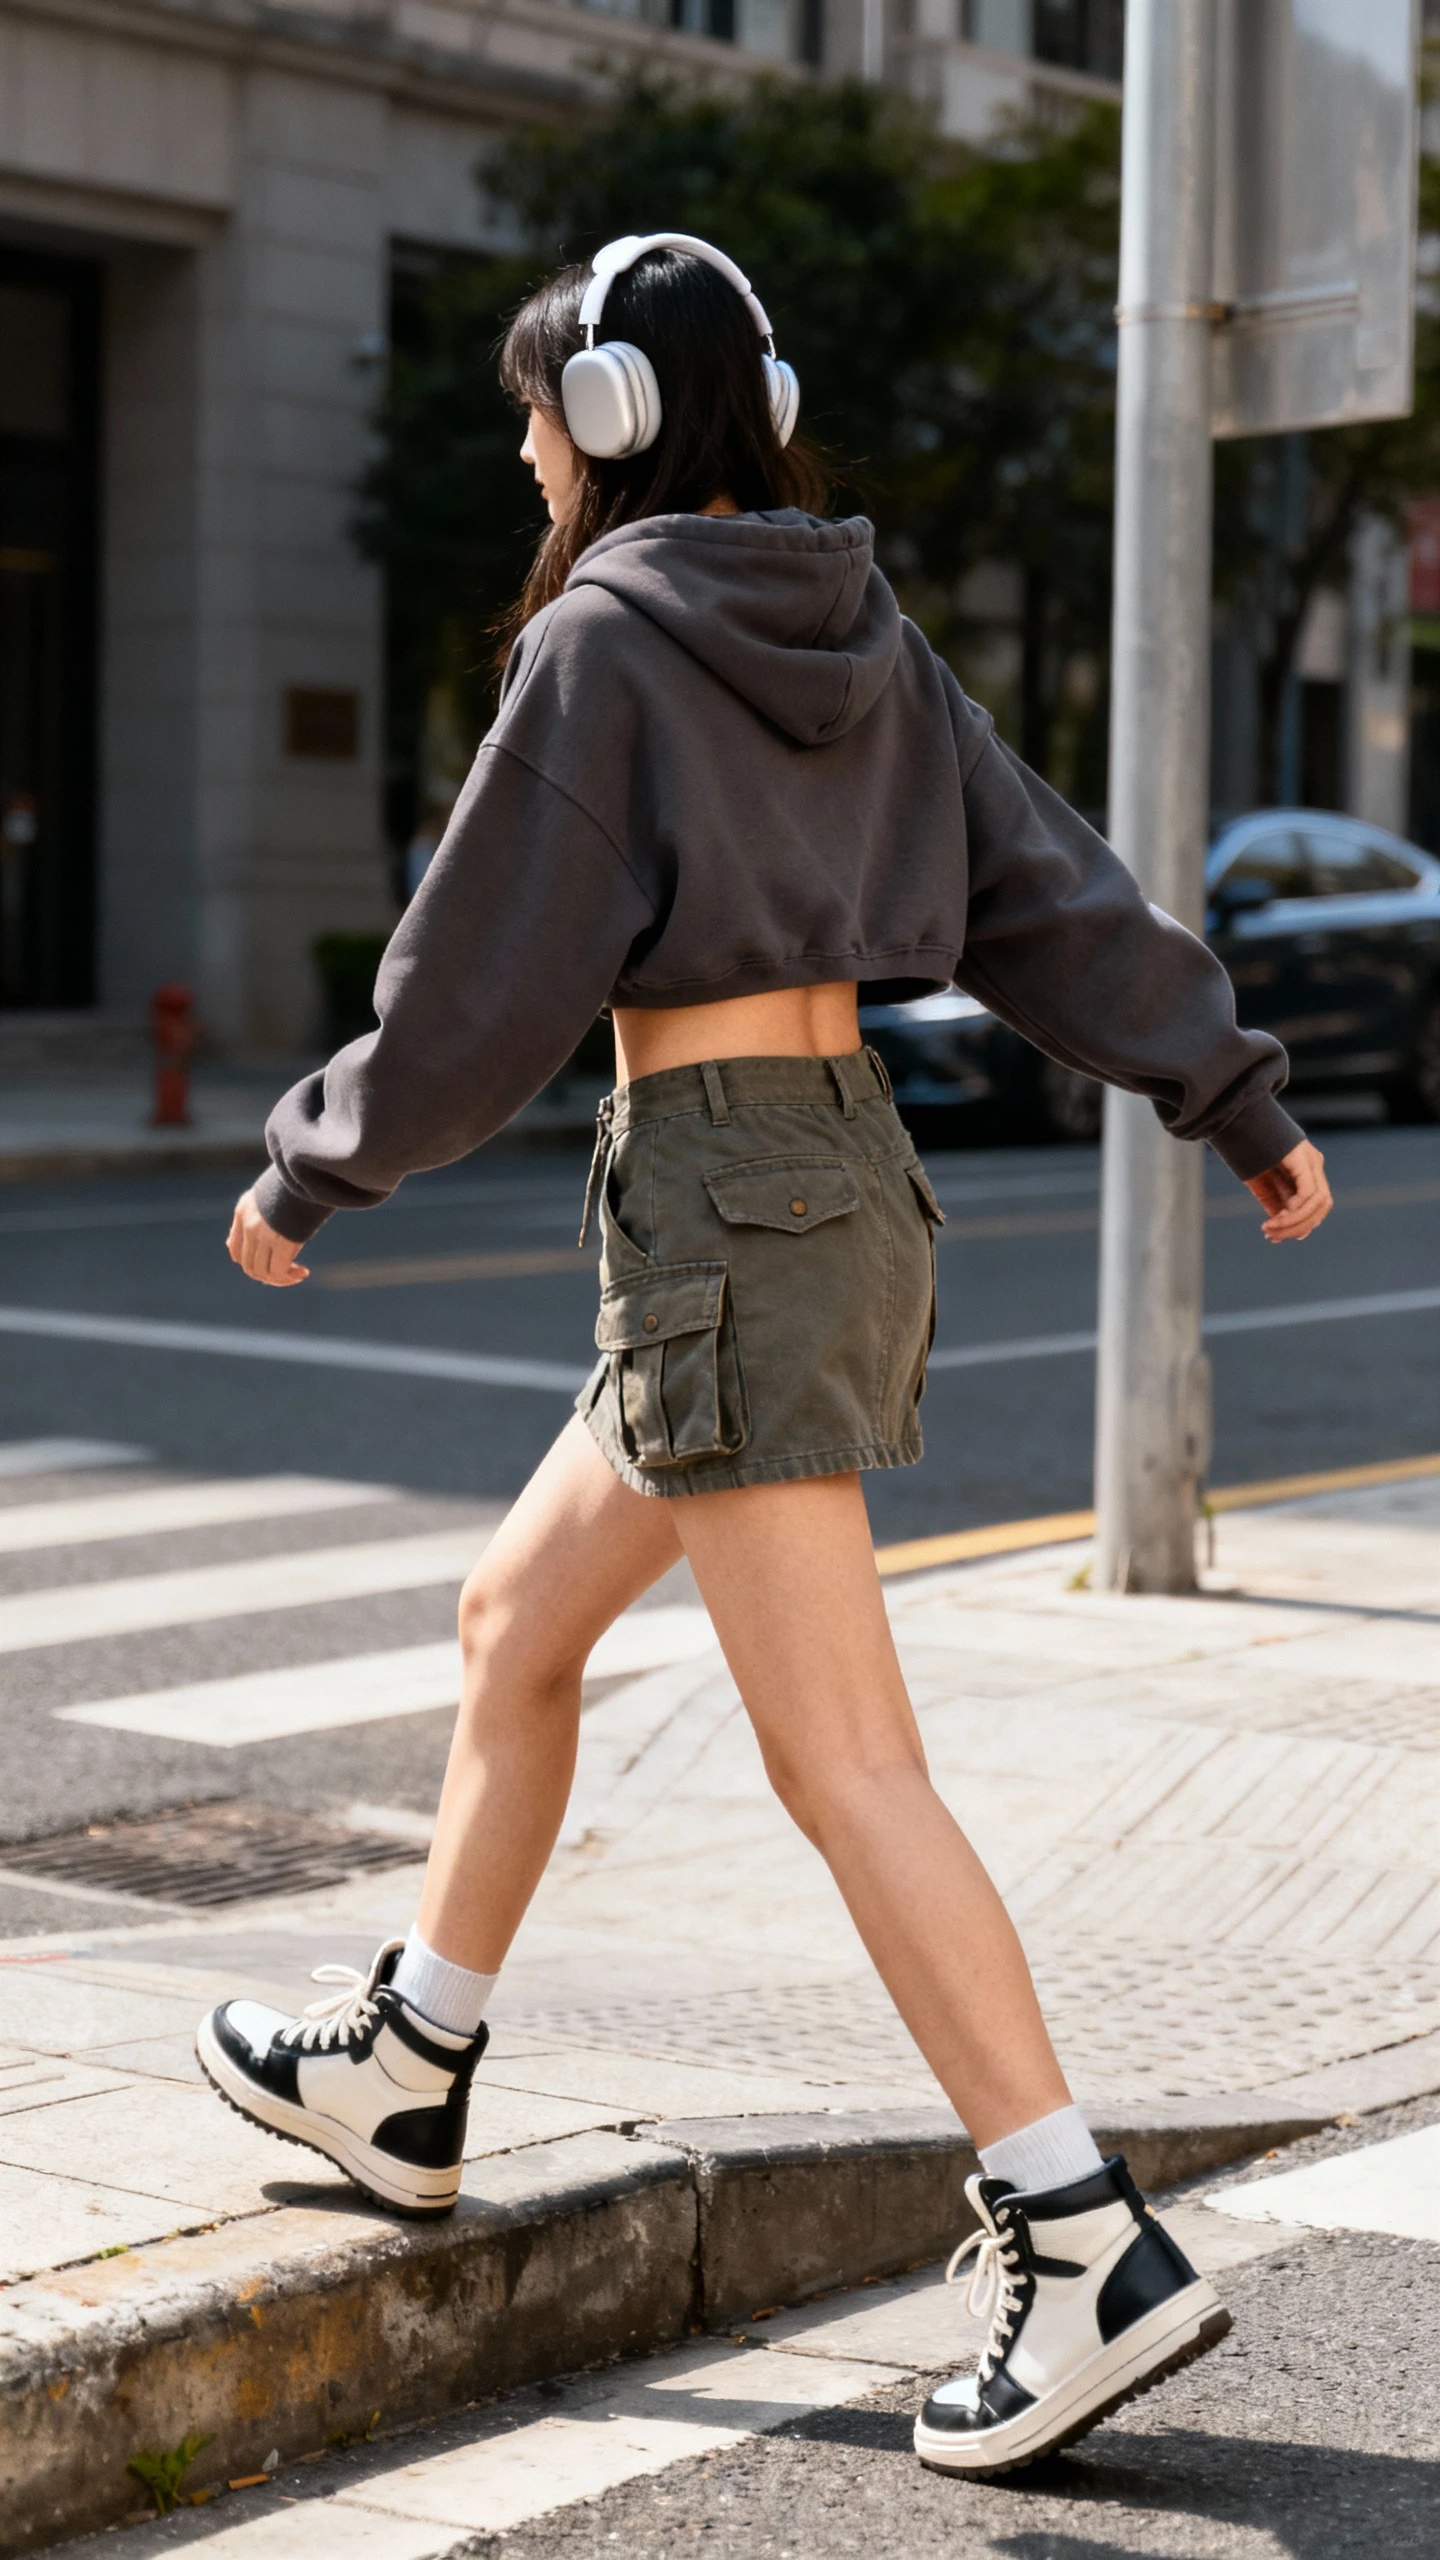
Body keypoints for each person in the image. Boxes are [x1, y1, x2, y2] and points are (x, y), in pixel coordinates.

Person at [196, 233, 1333, 2477]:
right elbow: (1048, 887)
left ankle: (1075, 2227)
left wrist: (320, 1160)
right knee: (514, 1612)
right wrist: (1230, 1086)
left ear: (610, 415)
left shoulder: (612, 640)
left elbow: (479, 967)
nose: (522, 440)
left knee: (845, 1764)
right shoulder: (857, 622)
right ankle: (410, 2062)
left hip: (724, 1197)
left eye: (539, 406)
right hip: (826, 1174)